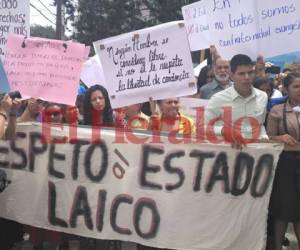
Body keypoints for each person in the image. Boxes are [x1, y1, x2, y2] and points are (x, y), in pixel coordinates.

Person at [266, 72, 300, 250]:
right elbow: (267, 138)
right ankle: (277, 246)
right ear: (286, 89)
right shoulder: (277, 110)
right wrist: (280, 138)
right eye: (296, 86)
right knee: (283, 209)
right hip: (285, 164)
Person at [204, 54, 268, 144]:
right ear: (232, 76)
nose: (247, 77)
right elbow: (203, 127)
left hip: (256, 152)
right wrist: (223, 130)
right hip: (229, 152)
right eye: (241, 74)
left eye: (250, 73)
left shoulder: (263, 96)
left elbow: (260, 124)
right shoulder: (218, 99)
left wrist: (264, 137)